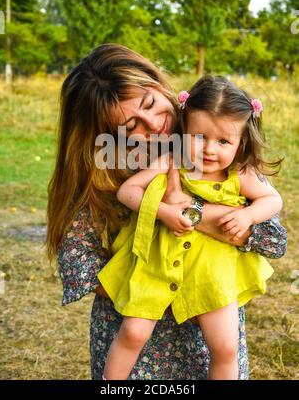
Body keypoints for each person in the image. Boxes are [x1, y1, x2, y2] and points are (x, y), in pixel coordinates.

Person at [50, 44, 287, 380]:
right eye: (132, 123)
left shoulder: (217, 138)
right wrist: (153, 283)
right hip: (140, 341)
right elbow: (80, 265)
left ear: (159, 85)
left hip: (206, 331)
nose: (154, 123)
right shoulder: (102, 175)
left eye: (149, 104)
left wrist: (193, 213)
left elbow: (273, 241)